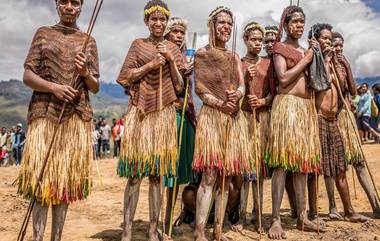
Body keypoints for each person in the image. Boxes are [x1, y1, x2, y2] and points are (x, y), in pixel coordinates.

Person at [17, 0, 100, 240]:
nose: (69, 6)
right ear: (56, 4)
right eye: (64, 1)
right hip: (44, 115)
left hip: (74, 118)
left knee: (63, 183)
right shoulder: (43, 33)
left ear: (81, 7)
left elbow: (94, 86)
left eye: (75, 2)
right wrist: (54, 88)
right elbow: (27, 74)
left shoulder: (88, 41)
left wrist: (85, 73)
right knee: (42, 183)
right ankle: (38, 237)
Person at [116, 1, 184, 240]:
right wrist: (151, 64)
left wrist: (171, 60)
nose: (158, 23)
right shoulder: (138, 45)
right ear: (146, 21)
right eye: (153, 19)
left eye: (162, 19)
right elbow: (125, 76)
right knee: (135, 174)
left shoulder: (173, 48)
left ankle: (153, 229)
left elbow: (179, 86)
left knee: (157, 176)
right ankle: (127, 230)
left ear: (167, 22)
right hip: (140, 113)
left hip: (164, 113)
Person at [193, 6, 252, 241]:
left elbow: (241, 85)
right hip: (212, 117)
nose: (226, 27)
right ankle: (199, 230)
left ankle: (218, 229)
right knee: (209, 174)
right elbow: (200, 88)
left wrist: (237, 95)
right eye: (221, 23)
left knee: (226, 176)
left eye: (229, 23)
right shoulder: (202, 54)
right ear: (212, 25)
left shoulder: (234, 56)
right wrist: (219, 103)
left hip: (232, 119)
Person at [266, 6, 322, 239]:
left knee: (302, 165)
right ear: (286, 24)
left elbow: (319, 80)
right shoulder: (280, 48)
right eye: (295, 21)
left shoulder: (307, 49)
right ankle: (276, 219)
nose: (299, 25)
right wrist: (306, 59)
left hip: (304, 109)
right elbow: (284, 78)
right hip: (286, 106)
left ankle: (302, 216)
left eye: (302, 21)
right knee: (281, 165)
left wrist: (317, 55)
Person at [310, 23, 369, 223]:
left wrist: (340, 64)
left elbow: (348, 90)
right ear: (317, 40)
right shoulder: (314, 58)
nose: (327, 42)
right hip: (318, 118)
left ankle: (349, 211)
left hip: (334, 119)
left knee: (340, 167)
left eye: (329, 39)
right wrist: (326, 60)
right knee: (317, 168)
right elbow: (322, 83)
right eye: (324, 39)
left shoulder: (335, 63)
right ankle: (313, 213)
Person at [332, 32, 380, 219]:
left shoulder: (344, 65)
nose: (338, 48)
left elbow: (352, 90)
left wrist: (348, 67)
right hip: (331, 119)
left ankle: (375, 206)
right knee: (337, 168)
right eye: (335, 45)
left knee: (359, 163)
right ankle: (339, 208)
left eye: (340, 45)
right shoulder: (324, 64)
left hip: (345, 118)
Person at [234, 21, 276, 232]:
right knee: (245, 172)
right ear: (245, 40)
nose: (258, 43)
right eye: (254, 39)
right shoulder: (238, 63)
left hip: (262, 120)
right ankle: (241, 216)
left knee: (258, 171)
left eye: (260, 40)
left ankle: (258, 214)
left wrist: (262, 102)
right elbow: (235, 93)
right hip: (244, 120)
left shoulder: (268, 64)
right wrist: (245, 84)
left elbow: (272, 92)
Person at [163, 16, 197, 235]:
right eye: (174, 32)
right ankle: (163, 221)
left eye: (181, 33)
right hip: (169, 116)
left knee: (178, 174)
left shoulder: (187, 56)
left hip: (185, 115)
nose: (178, 36)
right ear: (167, 34)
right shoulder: (162, 51)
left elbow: (186, 89)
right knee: (167, 172)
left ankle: (180, 214)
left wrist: (188, 69)